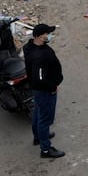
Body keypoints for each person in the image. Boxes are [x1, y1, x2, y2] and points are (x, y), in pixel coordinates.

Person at [25, 23, 64, 159]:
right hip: (45, 91)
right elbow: (39, 79)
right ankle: (46, 149)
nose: (49, 36)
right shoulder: (39, 57)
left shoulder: (29, 47)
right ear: (40, 37)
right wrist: (52, 87)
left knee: (38, 112)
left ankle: (38, 136)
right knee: (45, 119)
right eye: (47, 34)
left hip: (37, 91)